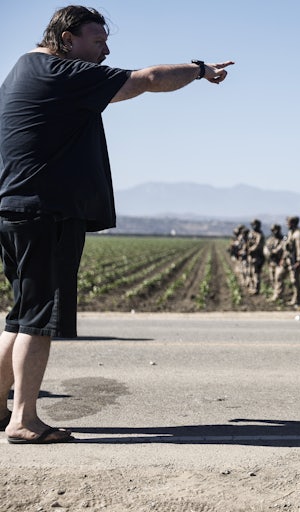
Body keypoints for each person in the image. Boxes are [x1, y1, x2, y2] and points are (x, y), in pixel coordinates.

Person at [0, 5, 233, 443]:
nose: (106, 51)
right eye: (98, 41)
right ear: (68, 39)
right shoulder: (62, 72)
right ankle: (24, 420)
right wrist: (200, 70)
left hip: (17, 210)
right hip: (46, 212)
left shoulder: (23, 68)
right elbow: (147, 80)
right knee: (38, 320)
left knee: (19, 316)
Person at [284, 216, 300, 308]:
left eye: (289, 223)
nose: (287, 224)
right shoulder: (290, 233)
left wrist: (299, 260)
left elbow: (298, 248)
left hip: (295, 260)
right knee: (293, 281)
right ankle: (295, 298)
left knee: (295, 281)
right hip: (290, 259)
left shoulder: (297, 234)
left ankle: (298, 299)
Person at [264, 223, 288, 302]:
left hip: (280, 261)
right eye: (273, 230)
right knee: (272, 279)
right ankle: (276, 294)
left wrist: (275, 252)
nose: (275, 232)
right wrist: (268, 253)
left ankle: (278, 296)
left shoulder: (284, 239)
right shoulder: (270, 239)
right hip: (272, 262)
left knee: (278, 278)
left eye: (276, 230)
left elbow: (283, 249)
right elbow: (266, 249)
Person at [246, 219, 265, 295]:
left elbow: (258, 245)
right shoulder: (251, 233)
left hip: (257, 256)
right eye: (252, 225)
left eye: (255, 225)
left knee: (255, 273)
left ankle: (256, 289)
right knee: (250, 272)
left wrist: (250, 249)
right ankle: (252, 287)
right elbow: (248, 242)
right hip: (251, 256)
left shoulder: (260, 235)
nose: (254, 226)